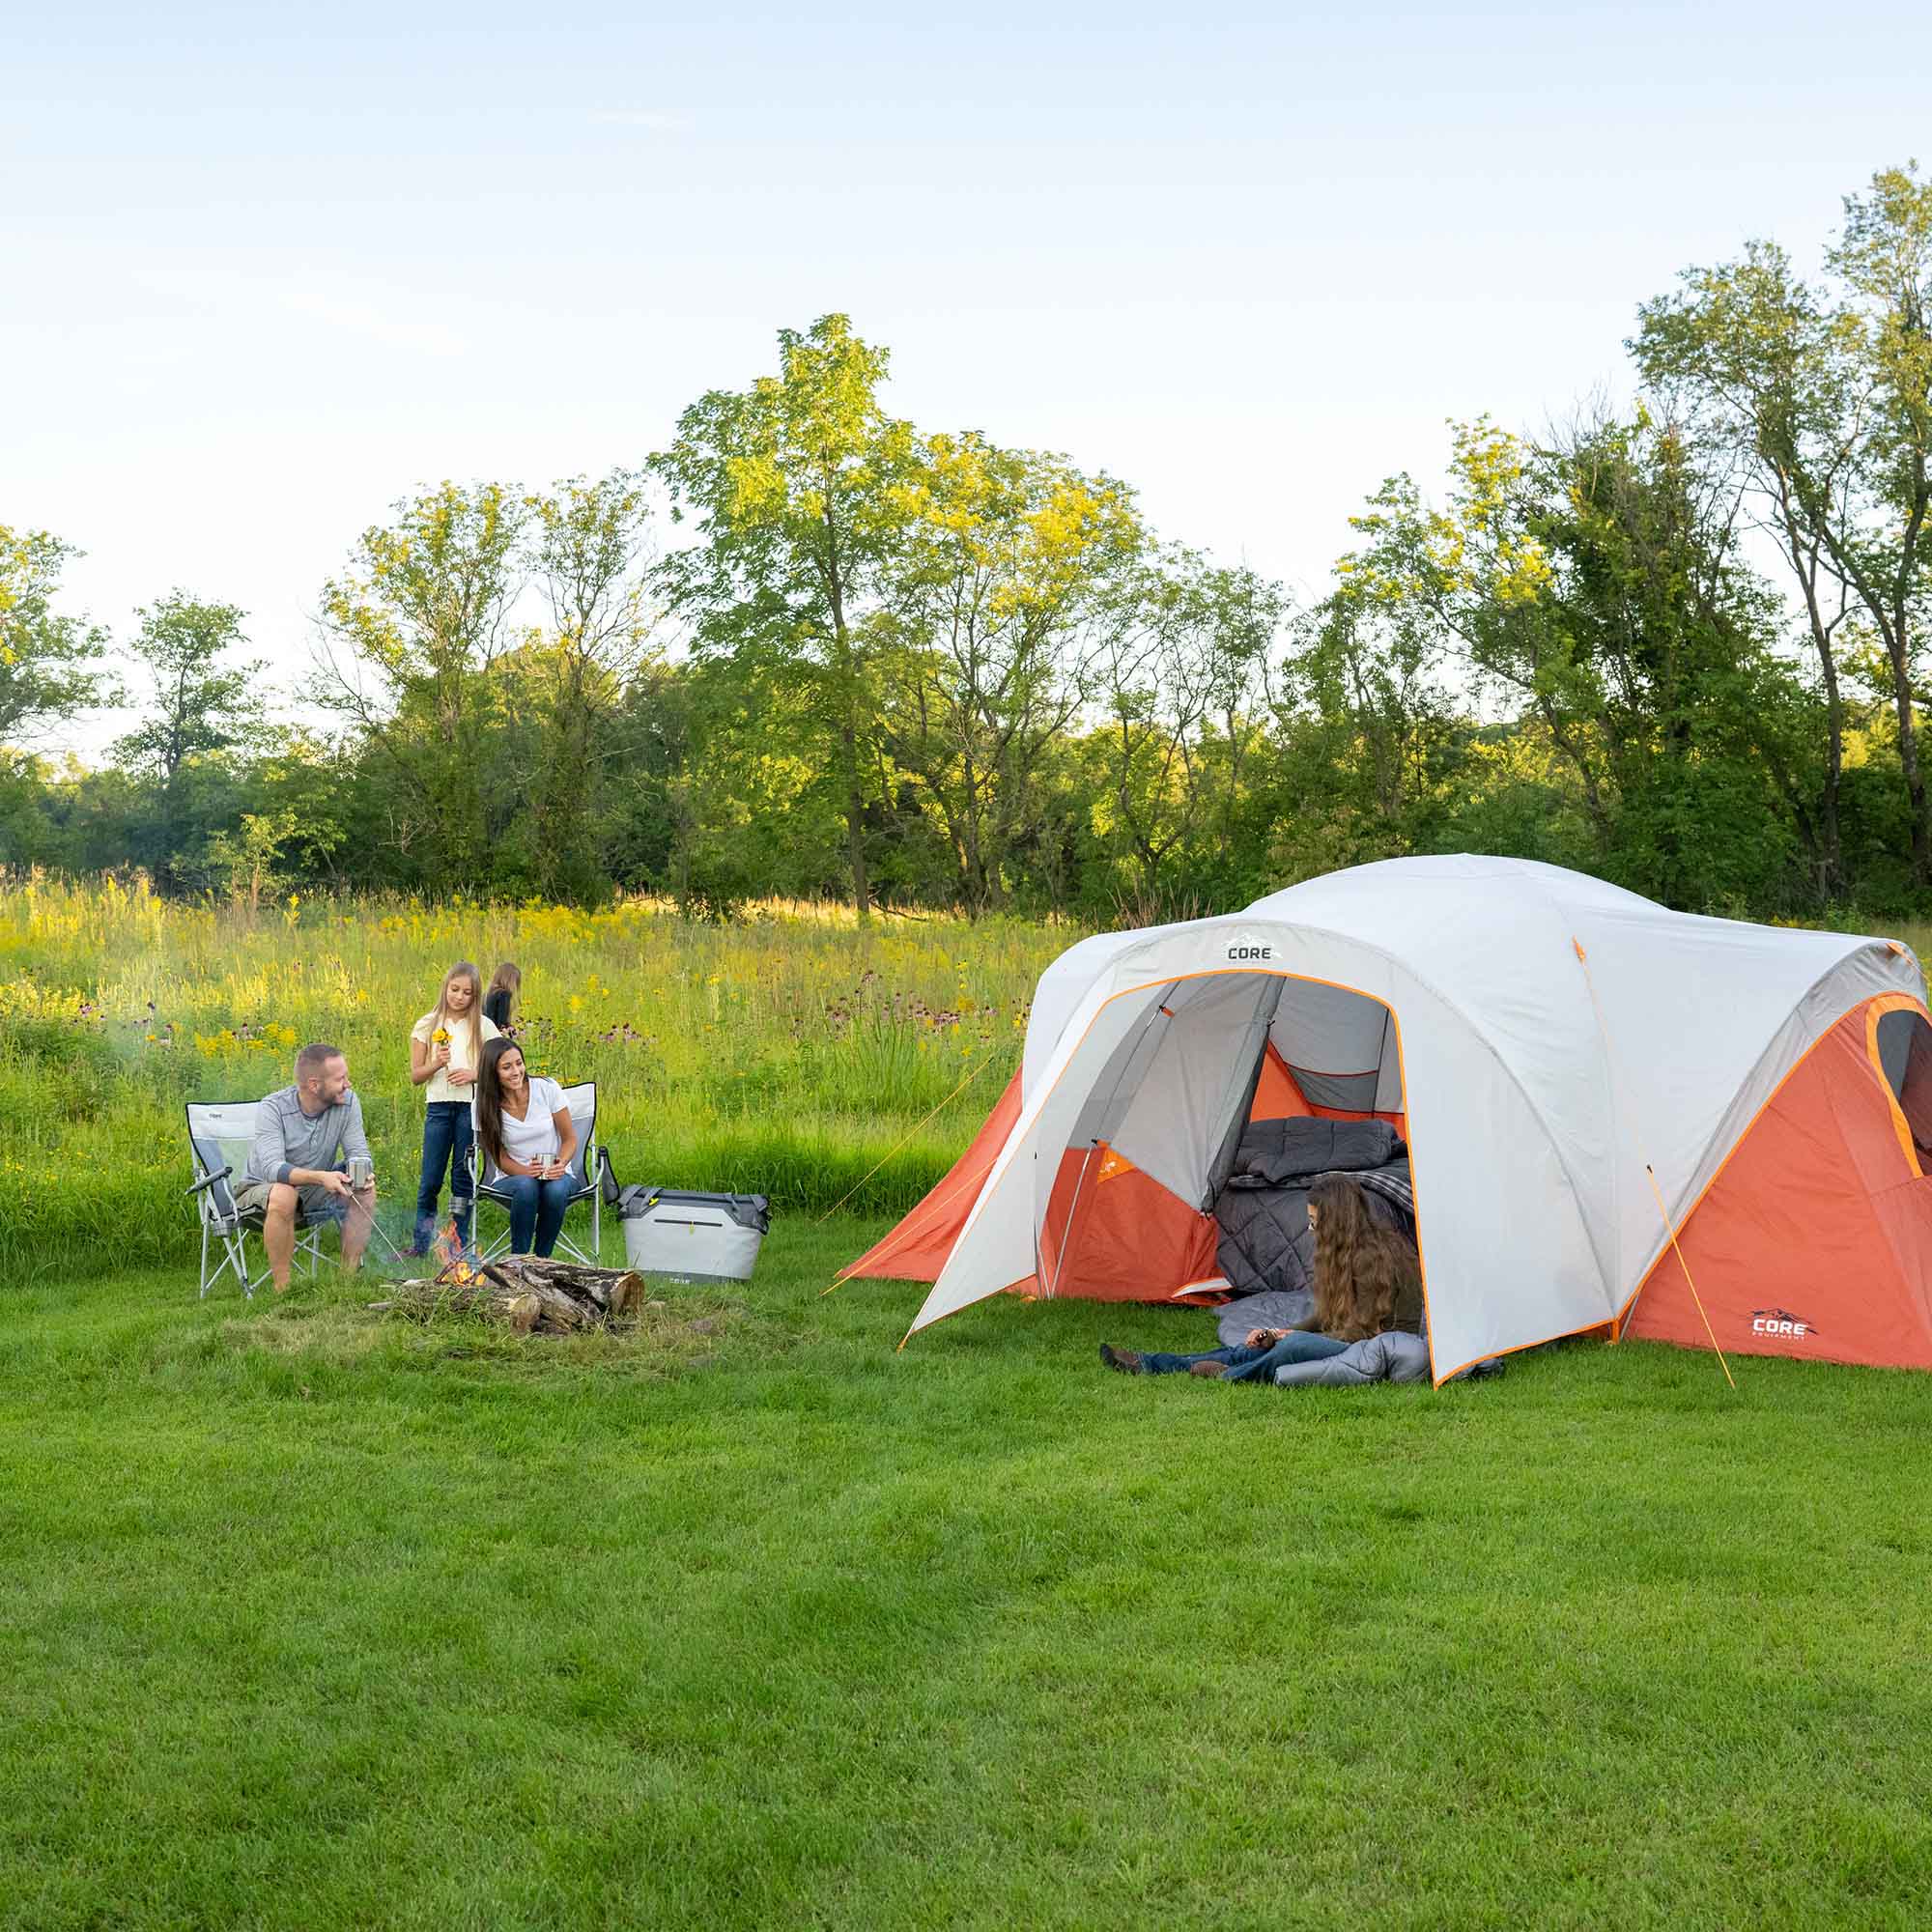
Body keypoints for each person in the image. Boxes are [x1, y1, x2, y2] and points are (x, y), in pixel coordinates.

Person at [1099, 1172, 1423, 1381]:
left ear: (1337, 1222)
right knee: (1252, 1347)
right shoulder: (1347, 1253)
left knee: (1292, 1346)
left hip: (1374, 1351)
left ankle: (1230, 1377)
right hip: (1352, 1341)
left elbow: (1360, 1334)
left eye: (1315, 1222)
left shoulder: (1374, 1259)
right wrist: (1278, 1331)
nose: (1311, 1230)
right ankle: (1150, 1363)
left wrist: (1288, 1337)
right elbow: (1328, 1316)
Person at [236, 1042, 376, 1292]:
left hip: (314, 1194)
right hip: (261, 1193)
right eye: (340, 1079)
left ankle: (347, 1281)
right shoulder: (273, 1107)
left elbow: (359, 1153)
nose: (348, 1084)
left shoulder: (348, 1102)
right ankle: (284, 1289)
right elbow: (272, 1169)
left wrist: (361, 1172)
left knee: (364, 1189)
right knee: (284, 1193)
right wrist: (321, 1177)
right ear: (314, 1085)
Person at [408, 960, 499, 1254]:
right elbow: (415, 1076)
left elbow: (500, 1066)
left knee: (462, 1178)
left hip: (469, 1108)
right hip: (438, 1108)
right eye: (454, 989)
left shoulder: (484, 1026)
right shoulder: (428, 1024)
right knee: (430, 1179)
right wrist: (436, 1063)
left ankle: (458, 1244)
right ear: (445, 988)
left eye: (467, 992)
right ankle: (420, 1244)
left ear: (475, 995)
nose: (459, 997)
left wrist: (474, 1074)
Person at [471, 1036, 578, 1257]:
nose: (516, 1071)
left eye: (519, 1063)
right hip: (513, 1178)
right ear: (492, 1072)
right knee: (527, 1186)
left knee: (556, 1190)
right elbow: (499, 1157)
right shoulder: (483, 1105)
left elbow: (569, 1139)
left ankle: (541, 1260)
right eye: (507, 1067)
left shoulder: (547, 1089)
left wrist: (560, 1163)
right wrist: (526, 1172)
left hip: (557, 1173)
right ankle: (518, 1259)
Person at [483, 961, 521, 1035]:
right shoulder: (503, 994)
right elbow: (502, 1025)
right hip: (495, 1036)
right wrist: (515, 1032)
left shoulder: (486, 994)